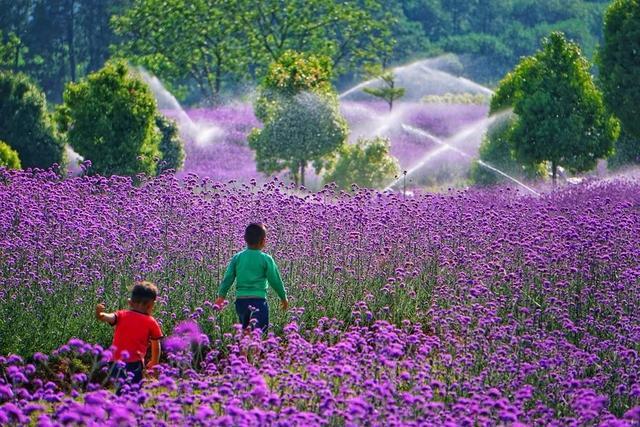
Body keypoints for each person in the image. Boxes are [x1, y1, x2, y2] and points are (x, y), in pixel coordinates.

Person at [215, 223, 288, 333]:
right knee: (258, 332)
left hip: (241, 301)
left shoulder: (237, 257)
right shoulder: (266, 259)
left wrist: (221, 296)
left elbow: (228, 278)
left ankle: (244, 350)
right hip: (259, 301)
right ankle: (255, 350)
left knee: (245, 331)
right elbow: (275, 280)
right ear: (264, 241)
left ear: (245, 239)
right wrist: (283, 297)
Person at [95, 281, 163, 390]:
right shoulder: (151, 321)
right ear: (152, 305)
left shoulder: (122, 315)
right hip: (135, 363)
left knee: (121, 388)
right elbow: (156, 344)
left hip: (115, 361)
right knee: (133, 390)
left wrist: (100, 314)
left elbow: (109, 317)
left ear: (130, 302)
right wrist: (154, 361)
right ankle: (127, 406)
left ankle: (119, 405)